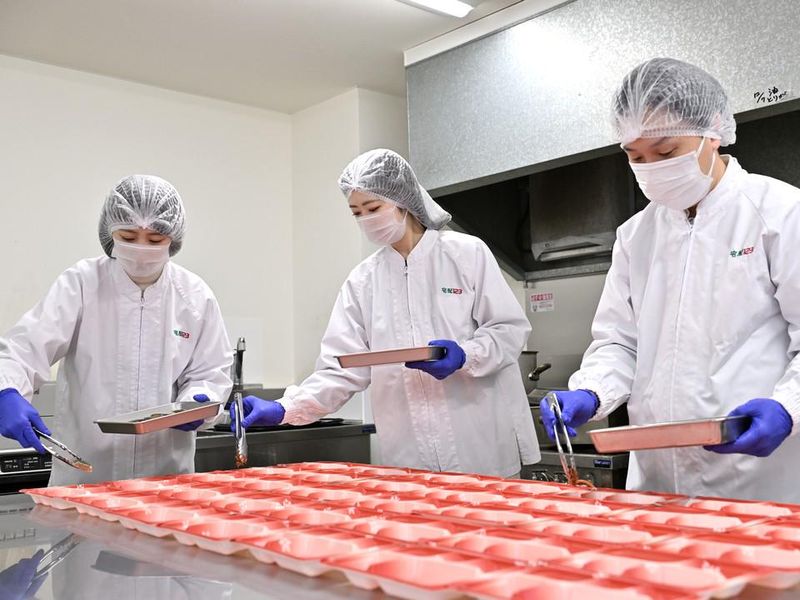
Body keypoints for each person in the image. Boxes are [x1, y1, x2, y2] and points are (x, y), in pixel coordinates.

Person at [541, 57, 800, 501]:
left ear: (712, 131)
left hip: (757, 478)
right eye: (635, 157)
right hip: (657, 481)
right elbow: (619, 343)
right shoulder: (635, 236)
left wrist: (788, 408)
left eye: (665, 152)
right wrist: (590, 391)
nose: (651, 168)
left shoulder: (780, 213)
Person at [236, 149, 539, 477]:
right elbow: (341, 369)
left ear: (402, 201)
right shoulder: (363, 282)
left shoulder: (466, 254)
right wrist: (284, 408)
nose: (366, 219)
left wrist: (466, 356)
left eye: (373, 208)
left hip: (481, 450)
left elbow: (509, 330)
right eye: (356, 212)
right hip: (409, 462)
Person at [0, 175, 232, 486]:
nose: (141, 249)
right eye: (128, 236)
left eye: (155, 239)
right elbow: (25, 348)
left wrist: (197, 403)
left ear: (174, 238)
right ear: (110, 232)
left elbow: (211, 373)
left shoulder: (194, 296)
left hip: (164, 484)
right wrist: (7, 391)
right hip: (85, 480)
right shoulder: (82, 283)